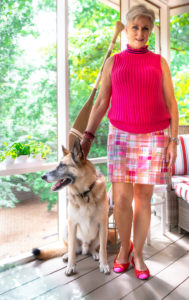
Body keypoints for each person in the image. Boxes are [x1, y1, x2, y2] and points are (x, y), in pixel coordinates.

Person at [80, 4, 179, 280]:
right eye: (135, 27)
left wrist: (172, 140)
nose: (140, 32)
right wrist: (88, 135)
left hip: (153, 137)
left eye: (146, 28)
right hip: (120, 136)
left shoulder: (159, 62)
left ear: (151, 31)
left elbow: (172, 103)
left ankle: (138, 255)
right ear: (126, 28)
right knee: (121, 200)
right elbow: (101, 103)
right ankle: (125, 249)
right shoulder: (114, 62)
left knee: (142, 200)